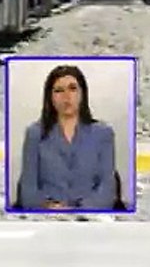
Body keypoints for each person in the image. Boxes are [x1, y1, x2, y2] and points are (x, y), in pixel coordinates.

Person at [16, 64, 118, 210]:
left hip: (89, 215)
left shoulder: (103, 133)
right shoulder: (35, 134)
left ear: (83, 93)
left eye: (72, 88)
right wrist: (49, 207)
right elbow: (28, 190)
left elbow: (107, 189)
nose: (66, 97)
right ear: (50, 97)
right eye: (59, 91)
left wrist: (79, 210)